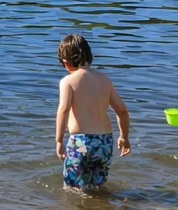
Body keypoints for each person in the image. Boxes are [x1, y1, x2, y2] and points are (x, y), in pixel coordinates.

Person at [54, 33, 131, 191]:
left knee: (72, 188)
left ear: (66, 63)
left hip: (80, 142)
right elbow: (122, 110)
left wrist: (59, 140)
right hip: (105, 143)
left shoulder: (67, 82)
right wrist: (124, 137)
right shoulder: (104, 79)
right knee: (98, 186)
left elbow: (63, 110)